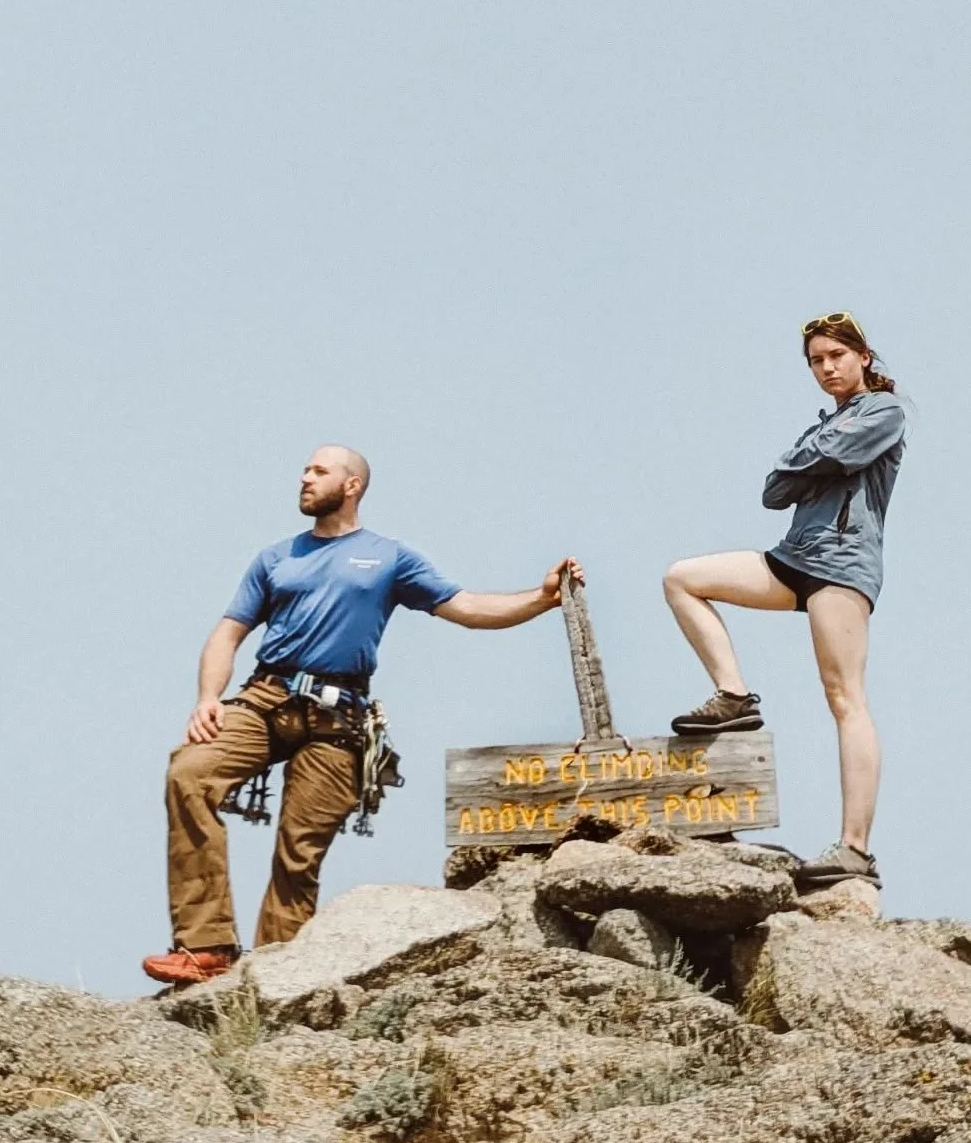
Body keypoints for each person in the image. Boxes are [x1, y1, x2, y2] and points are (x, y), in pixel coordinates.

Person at [143, 443, 580, 985]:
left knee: (299, 854)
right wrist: (208, 698)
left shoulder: (389, 557)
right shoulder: (276, 558)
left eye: (319, 471)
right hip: (265, 697)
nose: (305, 478)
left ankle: (272, 981)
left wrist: (540, 599)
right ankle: (205, 947)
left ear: (352, 486)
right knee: (189, 773)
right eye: (304, 469)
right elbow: (227, 633)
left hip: (340, 717)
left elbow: (467, 608)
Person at [661, 313, 906, 890]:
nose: (827, 368)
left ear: (863, 357)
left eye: (836, 357)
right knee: (683, 578)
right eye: (816, 361)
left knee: (845, 697)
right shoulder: (831, 422)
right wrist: (816, 454)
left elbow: (829, 459)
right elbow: (776, 488)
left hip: (841, 564)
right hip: (794, 555)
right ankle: (734, 694)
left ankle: (855, 849)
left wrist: (814, 456)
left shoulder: (884, 412)